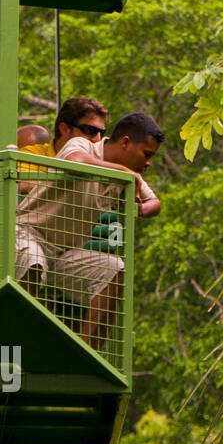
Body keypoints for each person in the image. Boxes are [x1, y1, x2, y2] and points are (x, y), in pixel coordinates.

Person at [16, 111, 164, 349]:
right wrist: (122, 173)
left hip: (65, 253)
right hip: (28, 235)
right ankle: (25, 345)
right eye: (146, 155)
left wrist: (138, 208)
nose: (148, 163)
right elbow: (75, 161)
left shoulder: (129, 174)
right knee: (33, 261)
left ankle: (85, 354)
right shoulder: (83, 144)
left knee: (116, 269)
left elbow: (155, 203)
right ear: (125, 142)